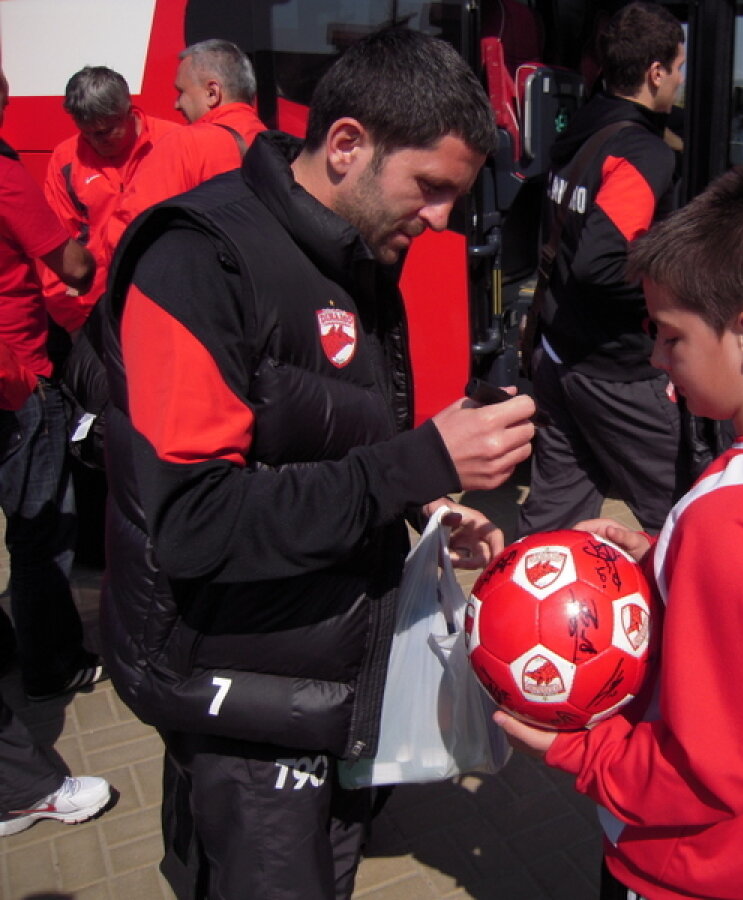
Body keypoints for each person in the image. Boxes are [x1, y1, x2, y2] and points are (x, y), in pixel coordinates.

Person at [99, 25, 534, 900]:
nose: (444, 218)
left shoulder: (352, 252)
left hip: (322, 683)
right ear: (346, 146)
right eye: (432, 187)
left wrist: (426, 520)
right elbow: (195, 524)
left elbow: (331, 448)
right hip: (245, 705)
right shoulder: (198, 260)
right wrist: (416, 465)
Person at [496, 167, 743, 900]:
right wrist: (664, 560)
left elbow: (713, 765)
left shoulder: (733, 517)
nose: (655, 360)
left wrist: (580, 751)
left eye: (671, 337)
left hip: (683, 867)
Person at [517, 0, 686, 537]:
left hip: (557, 357)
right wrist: (679, 308)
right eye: (679, 67)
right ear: (655, 72)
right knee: (686, 517)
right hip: (617, 374)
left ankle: (515, 613)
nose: (681, 79)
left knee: (552, 523)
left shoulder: (583, 133)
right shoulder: (642, 153)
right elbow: (602, 263)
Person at [0, 68, 102, 703]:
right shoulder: (8, 173)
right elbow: (70, 261)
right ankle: (52, 664)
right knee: (42, 533)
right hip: (19, 379)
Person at [0, 339, 113, 839]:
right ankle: (20, 791)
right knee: (40, 542)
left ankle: (24, 653)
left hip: (18, 380)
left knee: (38, 537)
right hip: (19, 383)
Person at [98, 39, 266, 258]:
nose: (176, 104)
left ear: (212, 93)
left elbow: (127, 232)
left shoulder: (185, 144)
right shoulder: (274, 142)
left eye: (181, 91)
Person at [42, 66, 179, 323]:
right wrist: (71, 320)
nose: (95, 141)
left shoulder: (174, 143)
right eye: (87, 133)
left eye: (104, 132)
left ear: (127, 112)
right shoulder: (66, 158)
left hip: (165, 302)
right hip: (94, 309)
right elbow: (60, 243)